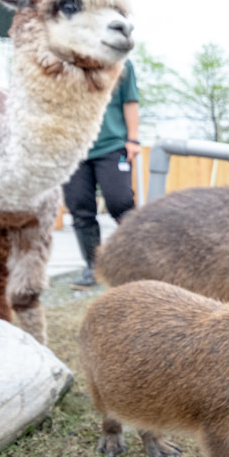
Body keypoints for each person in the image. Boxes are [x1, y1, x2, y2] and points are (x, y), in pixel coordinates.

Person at [62, 59, 141, 289]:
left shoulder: (121, 64)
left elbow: (130, 101)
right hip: (74, 149)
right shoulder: (65, 64)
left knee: (121, 202)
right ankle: (92, 267)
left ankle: (138, 263)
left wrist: (133, 139)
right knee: (79, 208)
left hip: (112, 144)